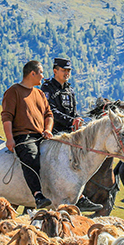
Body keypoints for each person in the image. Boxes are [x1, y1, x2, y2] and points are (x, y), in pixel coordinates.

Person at [41, 57, 102, 212]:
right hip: (53, 133)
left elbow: (73, 112)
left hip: (69, 135)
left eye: (69, 70)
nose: (67, 73)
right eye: (64, 70)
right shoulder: (48, 88)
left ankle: (78, 196)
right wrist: (71, 120)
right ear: (55, 71)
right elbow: (50, 111)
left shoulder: (69, 89)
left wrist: (77, 121)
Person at [1, 60, 54, 210]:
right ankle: (37, 195)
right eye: (41, 72)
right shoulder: (14, 91)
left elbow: (49, 115)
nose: (43, 76)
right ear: (32, 73)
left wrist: (48, 129)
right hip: (23, 136)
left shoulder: (40, 94)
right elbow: (7, 116)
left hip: (41, 136)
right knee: (31, 156)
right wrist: (10, 139)